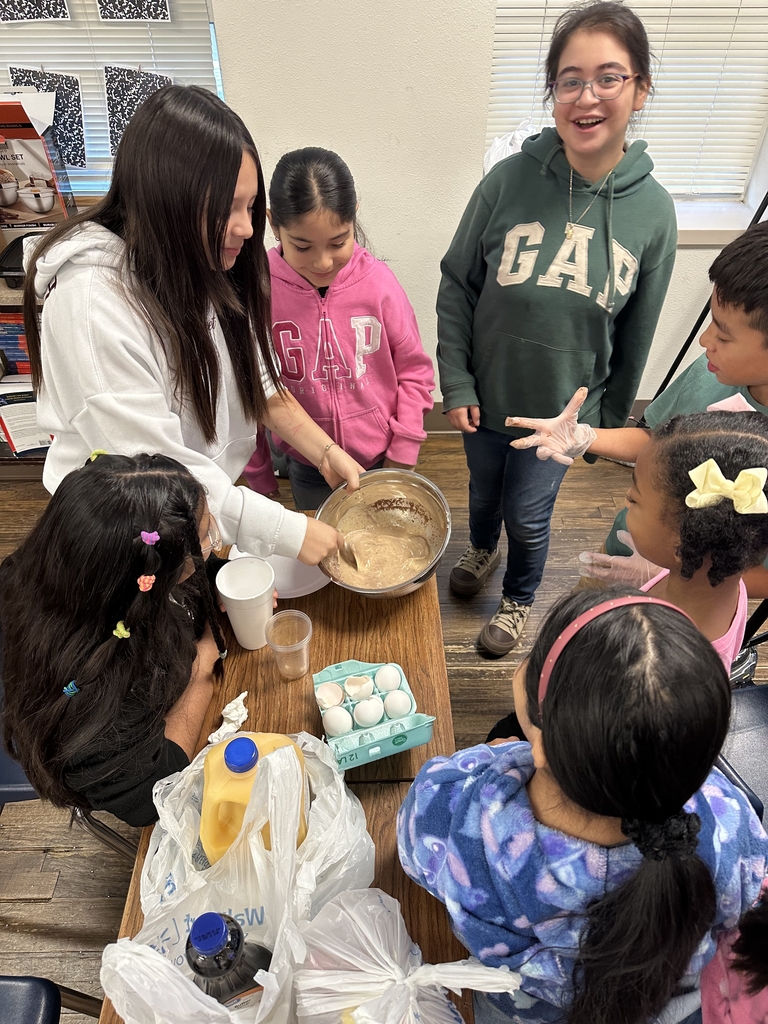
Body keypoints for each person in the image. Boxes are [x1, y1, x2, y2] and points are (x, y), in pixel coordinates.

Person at [22, 85, 363, 566]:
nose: (247, 230)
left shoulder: (201, 261)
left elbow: (257, 380)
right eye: (229, 208)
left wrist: (324, 452)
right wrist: (283, 528)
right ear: (168, 199)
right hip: (122, 528)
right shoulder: (91, 304)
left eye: (249, 207)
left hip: (196, 505)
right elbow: (156, 476)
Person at [397, 588, 768, 1024]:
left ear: (544, 747)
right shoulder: (731, 820)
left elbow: (411, 853)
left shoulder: (454, 809)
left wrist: (492, 761)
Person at [437, 0, 676, 656]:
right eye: (570, 79)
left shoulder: (654, 213)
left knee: (530, 515)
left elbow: (637, 335)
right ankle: (482, 551)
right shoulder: (507, 181)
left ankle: (518, 597)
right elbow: (458, 282)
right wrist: (455, 381)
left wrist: (603, 429)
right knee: (483, 497)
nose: (587, 96)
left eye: (609, 76)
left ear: (641, 88)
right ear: (553, 91)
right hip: (486, 396)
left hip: (562, 419)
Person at [509, 221, 768, 598]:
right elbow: (657, 440)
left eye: (724, 334)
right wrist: (586, 437)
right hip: (628, 547)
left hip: (698, 597)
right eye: (711, 321)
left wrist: (677, 575)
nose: (704, 340)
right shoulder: (713, 368)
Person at [1, 453, 227, 828]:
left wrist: (223, 577)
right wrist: (202, 667)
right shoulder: (94, 713)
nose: (212, 540)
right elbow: (154, 792)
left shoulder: (82, 567)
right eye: (205, 537)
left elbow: (185, 561)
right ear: (146, 582)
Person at [243, 147, 435, 511]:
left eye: (338, 242)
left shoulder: (379, 284)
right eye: (302, 246)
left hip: (383, 456)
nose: (323, 262)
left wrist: (403, 450)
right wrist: (259, 476)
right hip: (308, 464)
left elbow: (416, 373)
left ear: (354, 216)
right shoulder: (258, 290)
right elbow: (250, 390)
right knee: (324, 560)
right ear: (272, 223)